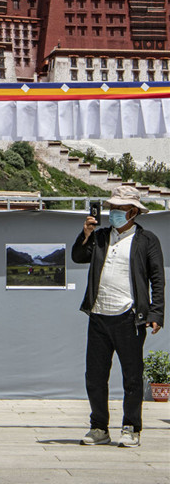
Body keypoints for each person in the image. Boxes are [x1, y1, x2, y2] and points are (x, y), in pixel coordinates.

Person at [71, 184, 165, 448]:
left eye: (119, 208)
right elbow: (78, 256)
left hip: (129, 317)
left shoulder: (147, 240)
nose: (113, 212)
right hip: (98, 315)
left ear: (133, 211)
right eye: (112, 208)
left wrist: (156, 312)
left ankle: (131, 427)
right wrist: (85, 234)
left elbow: (158, 279)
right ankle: (99, 427)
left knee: (132, 377)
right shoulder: (100, 236)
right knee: (95, 377)